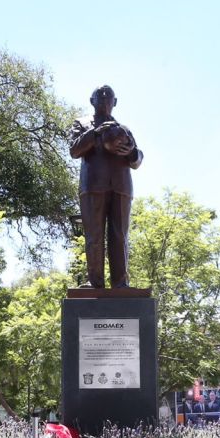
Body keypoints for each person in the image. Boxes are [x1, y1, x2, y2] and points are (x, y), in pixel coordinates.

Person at [69, 85, 144, 288]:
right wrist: (95, 134)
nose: (104, 98)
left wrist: (132, 153)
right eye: (99, 96)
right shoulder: (82, 124)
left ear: (115, 102)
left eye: (108, 96)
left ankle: (120, 284)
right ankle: (95, 282)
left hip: (121, 186)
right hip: (93, 186)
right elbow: (74, 150)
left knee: (120, 236)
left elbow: (137, 160)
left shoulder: (123, 130)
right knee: (94, 235)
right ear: (91, 101)